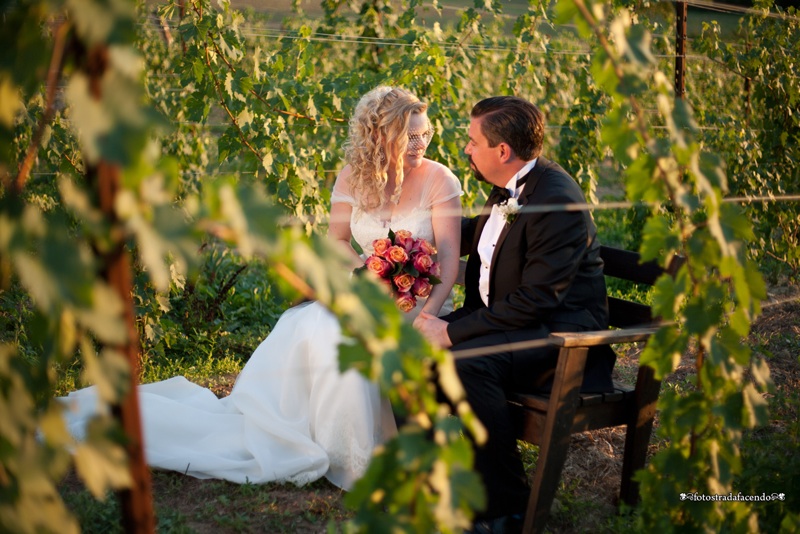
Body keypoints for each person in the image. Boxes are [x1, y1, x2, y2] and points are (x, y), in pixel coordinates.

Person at [58, 86, 462, 491]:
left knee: (334, 329)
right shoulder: (353, 177)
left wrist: (425, 319)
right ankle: (318, 440)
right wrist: (368, 269)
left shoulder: (438, 179)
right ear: (382, 135)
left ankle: (355, 453)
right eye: (410, 136)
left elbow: (445, 261)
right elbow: (336, 240)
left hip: (418, 303)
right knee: (309, 324)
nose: (421, 143)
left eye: (426, 134)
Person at [415, 95, 614, 533]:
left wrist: (451, 334)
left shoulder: (554, 201)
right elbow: (479, 236)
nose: (466, 149)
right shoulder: (510, 186)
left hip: (560, 341)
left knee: (462, 362)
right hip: (514, 323)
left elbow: (536, 301)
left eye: (472, 142)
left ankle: (506, 508)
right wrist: (414, 251)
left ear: (501, 151)